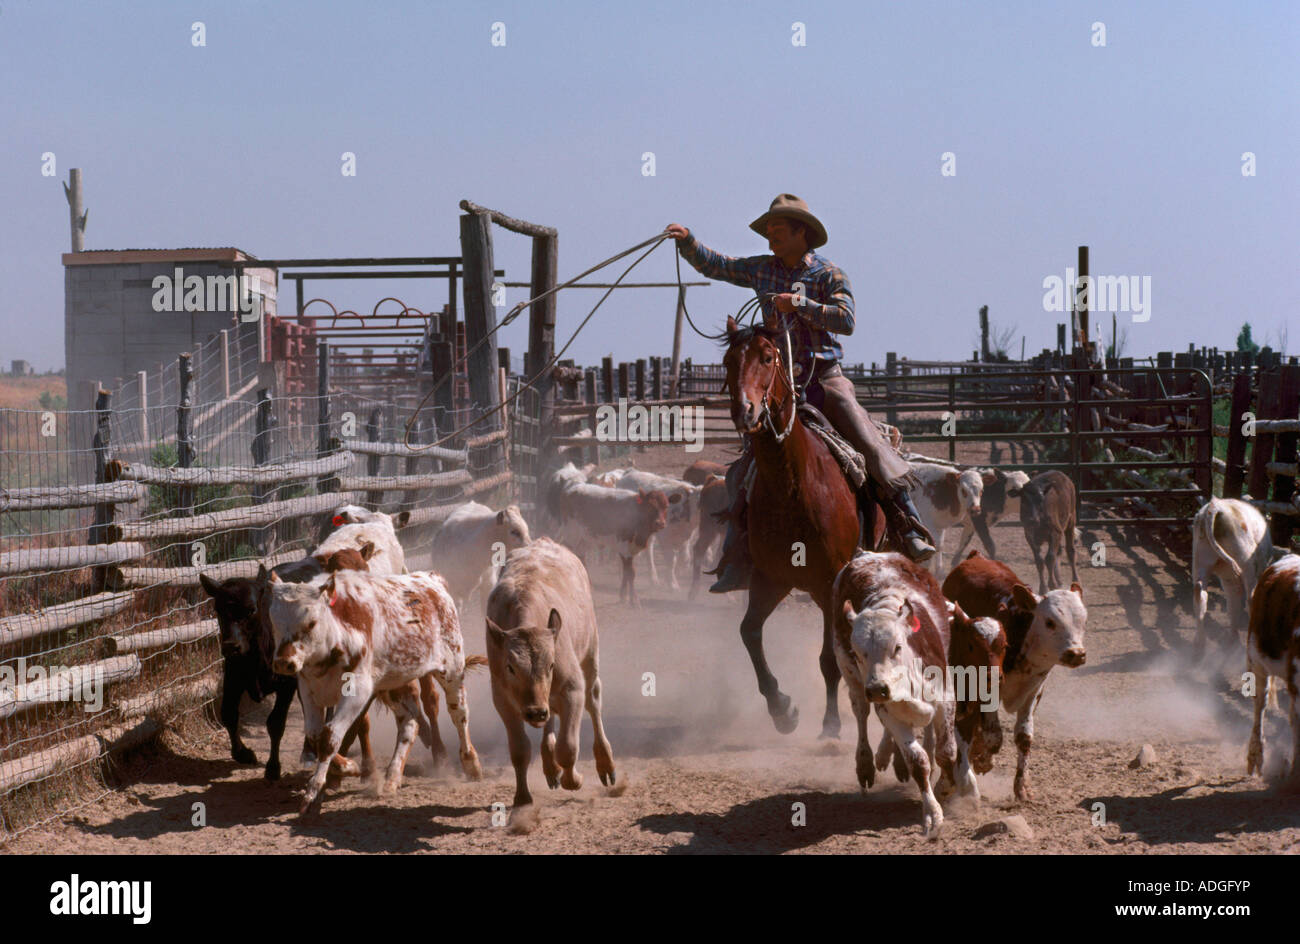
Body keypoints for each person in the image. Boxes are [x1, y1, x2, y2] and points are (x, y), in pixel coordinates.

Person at [666, 194, 936, 593]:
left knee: (867, 442)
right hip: (779, 383)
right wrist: (688, 242)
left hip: (824, 378)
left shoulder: (829, 274)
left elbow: (846, 320)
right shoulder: (761, 269)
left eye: (777, 228)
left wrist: (801, 304)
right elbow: (719, 265)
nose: (769, 235)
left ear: (800, 232)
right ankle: (737, 555)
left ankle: (907, 524)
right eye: (769, 229)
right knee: (746, 467)